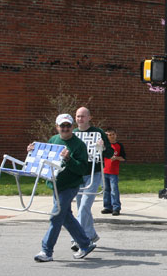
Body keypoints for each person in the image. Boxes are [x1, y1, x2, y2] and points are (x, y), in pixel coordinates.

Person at [33, 114, 97, 262]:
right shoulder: (53, 140)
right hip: (56, 184)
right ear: (57, 127)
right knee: (65, 217)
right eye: (62, 126)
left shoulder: (78, 145)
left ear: (72, 127)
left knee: (56, 216)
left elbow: (82, 169)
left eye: (68, 126)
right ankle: (85, 244)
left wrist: (69, 159)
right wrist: (32, 151)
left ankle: (46, 251)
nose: (65, 128)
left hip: (70, 185)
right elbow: (43, 159)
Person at [71, 106, 113, 251]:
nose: (79, 119)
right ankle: (91, 235)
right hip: (78, 174)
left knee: (84, 207)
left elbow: (110, 153)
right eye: (77, 116)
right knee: (80, 207)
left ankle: (77, 239)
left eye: (82, 116)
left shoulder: (98, 133)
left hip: (93, 174)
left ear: (89, 118)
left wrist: (103, 148)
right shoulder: (73, 133)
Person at [101, 128, 126, 216]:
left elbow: (123, 158)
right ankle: (107, 207)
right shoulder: (104, 146)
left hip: (113, 172)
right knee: (105, 189)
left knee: (114, 190)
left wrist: (116, 158)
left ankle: (116, 207)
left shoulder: (119, 145)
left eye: (113, 134)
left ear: (116, 135)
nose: (111, 136)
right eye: (109, 135)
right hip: (104, 170)